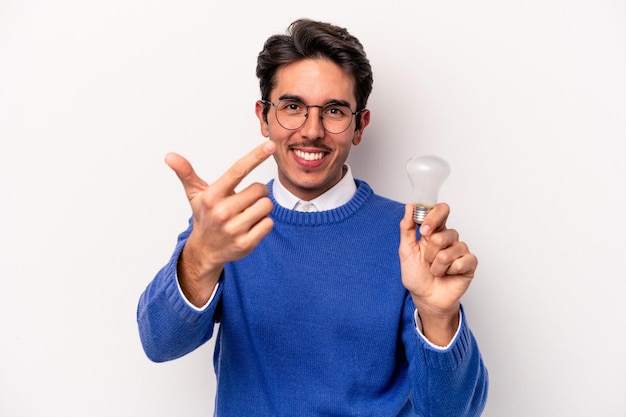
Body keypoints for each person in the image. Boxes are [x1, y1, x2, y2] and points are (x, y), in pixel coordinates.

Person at [137, 18, 488, 417]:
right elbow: (159, 343)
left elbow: (452, 410)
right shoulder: (226, 226)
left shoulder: (410, 239)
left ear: (359, 126)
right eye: (292, 107)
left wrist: (439, 315)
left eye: (335, 111)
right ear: (263, 116)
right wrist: (199, 258)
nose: (312, 130)